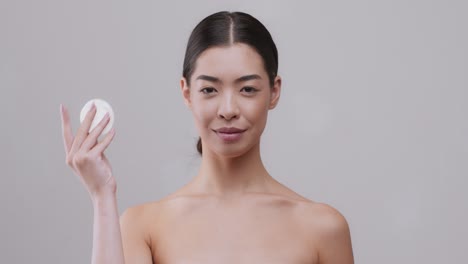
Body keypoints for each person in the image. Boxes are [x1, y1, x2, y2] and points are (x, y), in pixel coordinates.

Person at [60, 11, 354, 264]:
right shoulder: (144, 226)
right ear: (186, 92)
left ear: (274, 91)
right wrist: (101, 197)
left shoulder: (323, 228)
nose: (228, 110)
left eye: (247, 89)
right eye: (209, 90)